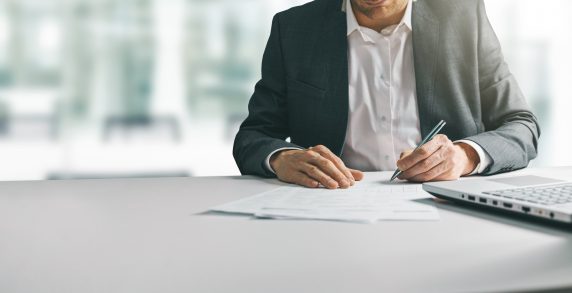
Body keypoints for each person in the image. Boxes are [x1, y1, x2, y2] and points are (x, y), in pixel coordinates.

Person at [233, 0, 540, 189]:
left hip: (446, 208)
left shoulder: (464, 17)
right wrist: (282, 158)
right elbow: (253, 136)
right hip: (329, 208)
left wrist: (464, 156)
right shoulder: (294, 28)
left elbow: (522, 127)